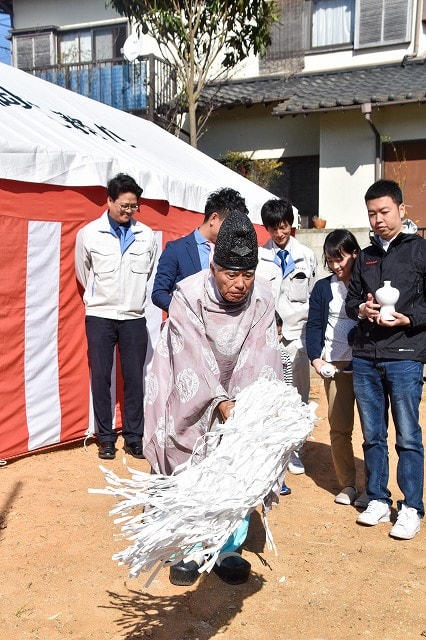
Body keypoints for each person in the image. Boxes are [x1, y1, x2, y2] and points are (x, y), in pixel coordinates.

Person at [144, 209, 283, 585]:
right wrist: (219, 400)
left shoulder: (263, 298)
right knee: (189, 461)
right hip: (187, 385)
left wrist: (246, 408)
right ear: (213, 265)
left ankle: (227, 546)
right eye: (230, 273)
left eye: (248, 274)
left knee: (234, 462)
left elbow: (260, 354)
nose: (240, 283)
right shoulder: (187, 294)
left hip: (239, 389)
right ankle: (187, 545)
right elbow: (192, 356)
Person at [346, 179, 425, 540]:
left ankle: (411, 507)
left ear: (401, 209)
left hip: (406, 354)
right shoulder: (365, 255)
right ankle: (378, 498)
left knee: (408, 435)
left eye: (384, 212)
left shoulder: (419, 251)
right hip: (366, 355)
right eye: (371, 214)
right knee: (373, 434)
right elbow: (350, 301)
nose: (378, 219)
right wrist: (361, 308)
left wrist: (411, 318)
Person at [75, 173, 157, 460]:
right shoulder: (88, 234)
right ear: (109, 201)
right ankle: (105, 437)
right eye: (123, 205)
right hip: (100, 314)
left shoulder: (146, 235)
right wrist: (103, 297)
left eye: (133, 206)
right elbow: (84, 273)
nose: (128, 211)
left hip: (134, 316)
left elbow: (148, 272)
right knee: (101, 377)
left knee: (135, 377)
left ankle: (134, 436)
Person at [306, 229, 368, 507]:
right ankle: (348, 484)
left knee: (372, 429)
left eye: (340, 258)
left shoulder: (367, 282)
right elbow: (315, 325)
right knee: (339, 429)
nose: (336, 265)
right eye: (331, 260)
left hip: (365, 363)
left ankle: (374, 488)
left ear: (354, 253)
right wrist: (316, 359)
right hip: (334, 364)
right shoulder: (323, 288)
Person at [257, 198, 317, 474]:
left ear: (290, 225)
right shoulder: (259, 256)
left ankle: (295, 449)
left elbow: (314, 296)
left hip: (297, 336)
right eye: (273, 229)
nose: (279, 234)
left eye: (283, 227)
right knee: (269, 394)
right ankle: (272, 450)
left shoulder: (306, 254)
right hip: (268, 336)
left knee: (298, 395)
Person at [151, 187, 249, 312]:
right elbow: (159, 294)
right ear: (214, 218)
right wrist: (186, 313)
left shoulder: (235, 251)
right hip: (186, 327)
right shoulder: (176, 249)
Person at [275, 311, 293, 496]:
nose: (278, 338)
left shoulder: (283, 354)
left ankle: (279, 481)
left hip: (280, 407)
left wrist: (289, 402)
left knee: (279, 447)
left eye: (280, 333)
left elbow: (288, 380)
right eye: (274, 333)